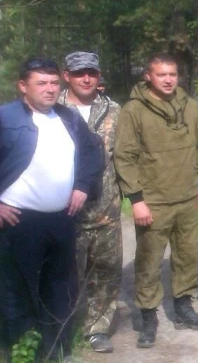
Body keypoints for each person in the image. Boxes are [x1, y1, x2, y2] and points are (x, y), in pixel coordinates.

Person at [0, 58, 103, 362]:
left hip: (61, 220)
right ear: (23, 86)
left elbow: (92, 151)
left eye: (54, 83)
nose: (50, 89)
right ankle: (23, 352)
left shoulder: (68, 118)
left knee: (59, 287)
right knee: (17, 290)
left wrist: (82, 185)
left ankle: (58, 349)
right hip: (19, 222)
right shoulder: (5, 118)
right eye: (41, 83)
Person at [115, 53, 198, 348]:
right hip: (154, 201)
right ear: (148, 76)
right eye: (161, 75)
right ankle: (148, 317)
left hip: (187, 197)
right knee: (149, 262)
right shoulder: (134, 111)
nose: (168, 80)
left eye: (172, 74)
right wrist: (136, 199)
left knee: (188, 256)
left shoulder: (190, 106)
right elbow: (124, 156)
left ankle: (184, 307)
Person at [59, 52, 122, 353]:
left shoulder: (114, 110)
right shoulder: (53, 108)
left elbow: (125, 155)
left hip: (106, 207)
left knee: (107, 271)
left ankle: (98, 328)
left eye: (92, 73)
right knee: (65, 273)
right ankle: (63, 330)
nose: (86, 78)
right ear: (66, 76)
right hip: (65, 210)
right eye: (79, 73)